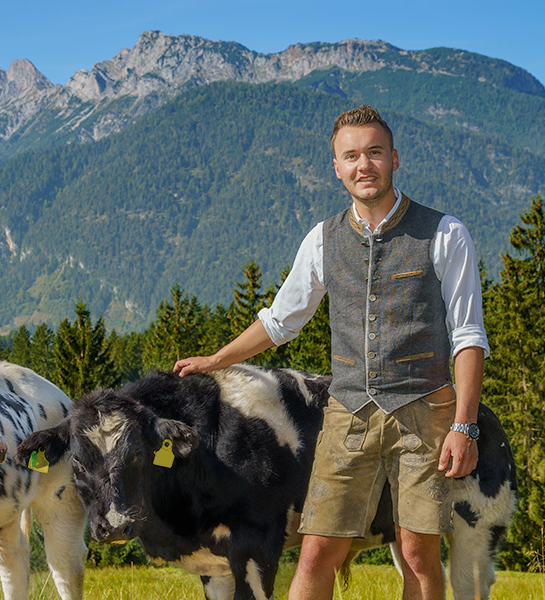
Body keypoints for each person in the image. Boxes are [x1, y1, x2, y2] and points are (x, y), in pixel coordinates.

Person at [173, 105, 488, 600]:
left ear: (395, 159)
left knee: (417, 552)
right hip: (349, 413)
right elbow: (281, 321)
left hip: (426, 410)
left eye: (375, 152)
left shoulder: (446, 233)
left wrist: (464, 425)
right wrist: (217, 361)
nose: (365, 165)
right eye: (352, 156)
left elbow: (469, 336)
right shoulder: (322, 239)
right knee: (317, 549)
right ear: (337, 168)